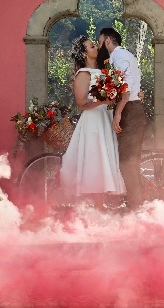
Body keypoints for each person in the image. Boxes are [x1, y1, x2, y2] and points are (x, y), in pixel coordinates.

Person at [59, 36, 126, 207]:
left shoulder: (103, 72)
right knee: (95, 161)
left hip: (104, 119)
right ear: (84, 53)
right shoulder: (83, 74)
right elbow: (81, 103)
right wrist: (102, 101)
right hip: (93, 122)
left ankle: (99, 207)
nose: (96, 48)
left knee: (104, 161)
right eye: (91, 46)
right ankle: (95, 209)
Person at [98, 27, 147, 210]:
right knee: (131, 162)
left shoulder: (118, 57)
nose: (99, 44)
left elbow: (126, 87)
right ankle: (137, 204)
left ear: (108, 41)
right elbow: (134, 84)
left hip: (130, 111)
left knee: (127, 162)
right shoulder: (127, 56)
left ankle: (136, 207)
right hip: (134, 108)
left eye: (100, 40)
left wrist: (118, 113)